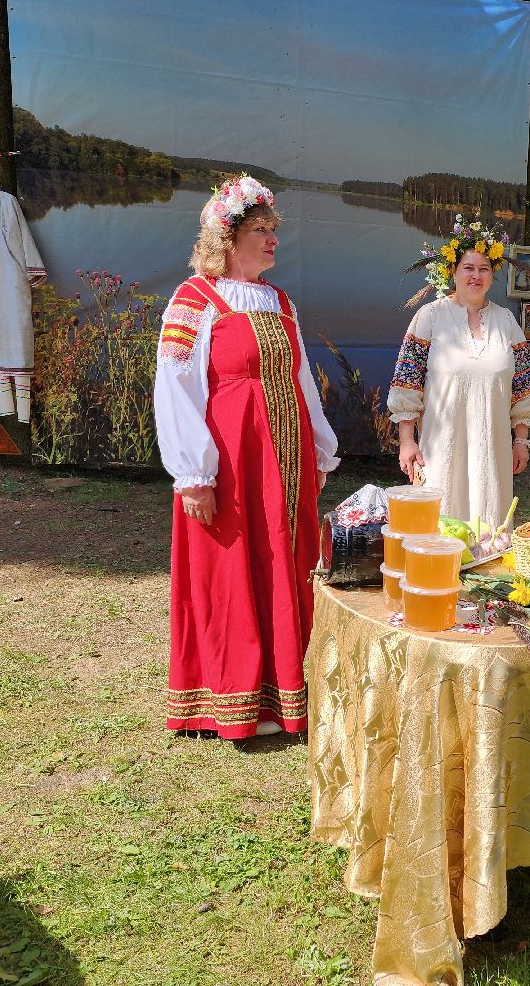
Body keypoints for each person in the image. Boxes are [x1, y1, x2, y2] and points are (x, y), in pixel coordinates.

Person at [154, 175, 339, 740]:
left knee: (287, 559)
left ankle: (288, 692)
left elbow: (300, 378)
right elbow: (175, 386)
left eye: (274, 230)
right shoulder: (194, 300)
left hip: (286, 455)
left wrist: (321, 447)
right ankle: (234, 696)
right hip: (233, 460)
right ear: (227, 238)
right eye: (261, 230)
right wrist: (194, 474)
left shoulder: (281, 303)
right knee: (236, 565)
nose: (273, 240)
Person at [390, 216, 530, 527]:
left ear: (492, 275)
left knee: (488, 528)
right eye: (468, 268)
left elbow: (524, 387)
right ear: (453, 272)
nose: (476, 275)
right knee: (440, 528)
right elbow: (407, 381)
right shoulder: (429, 317)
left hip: (492, 452)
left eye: (484, 268)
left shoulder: (507, 323)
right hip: (440, 450)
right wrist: (407, 440)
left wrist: (521, 440)